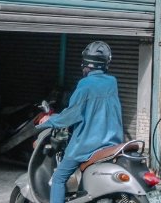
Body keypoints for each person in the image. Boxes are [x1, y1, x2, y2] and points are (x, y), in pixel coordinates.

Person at [36, 41, 124, 203]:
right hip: (112, 143)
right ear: (106, 63)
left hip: (87, 146)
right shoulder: (112, 82)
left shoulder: (84, 85)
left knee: (58, 178)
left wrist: (50, 120)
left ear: (85, 64)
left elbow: (71, 116)